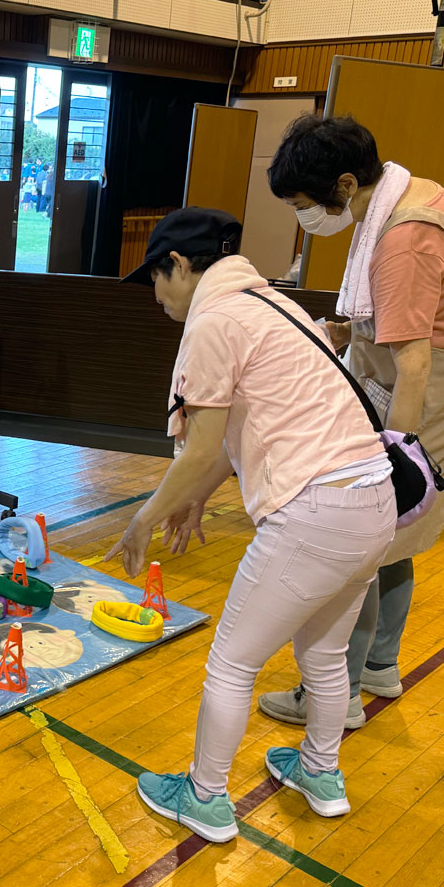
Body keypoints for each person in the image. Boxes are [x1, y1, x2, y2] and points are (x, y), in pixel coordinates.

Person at [106, 208, 395, 843]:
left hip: (315, 509)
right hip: (374, 501)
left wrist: (145, 517)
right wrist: (195, 497)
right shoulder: (278, 305)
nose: (156, 296)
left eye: (155, 279)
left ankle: (205, 797)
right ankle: (320, 772)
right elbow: (243, 430)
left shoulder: (213, 321)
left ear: (178, 266)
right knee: (322, 650)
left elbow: (204, 446)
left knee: (232, 662)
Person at [258, 114, 444, 728]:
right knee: (394, 542)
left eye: (305, 205)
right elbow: (414, 320)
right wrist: (354, 330)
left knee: (357, 544)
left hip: (426, 400)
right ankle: (379, 668)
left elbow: (413, 363)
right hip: (441, 385)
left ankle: (334, 699)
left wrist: (395, 455)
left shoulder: (403, 239)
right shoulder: (412, 195)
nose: (304, 219)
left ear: (343, 184)